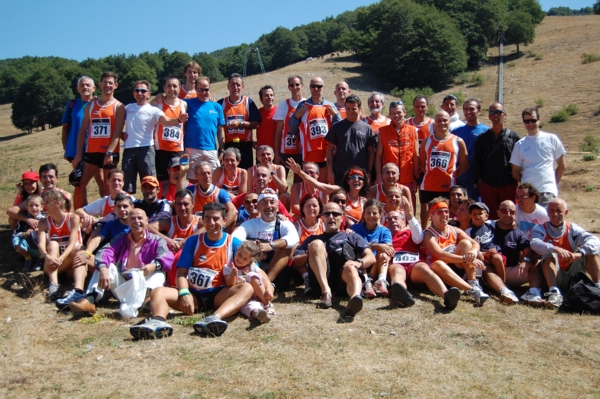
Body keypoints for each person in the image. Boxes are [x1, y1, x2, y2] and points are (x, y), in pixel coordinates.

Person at [129, 202, 253, 338]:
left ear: (224, 221)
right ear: (203, 221)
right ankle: (158, 322)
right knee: (158, 292)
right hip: (194, 295)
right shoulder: (193, 241)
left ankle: (214, 318)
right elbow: (181, 273)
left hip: (219, 294)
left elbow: (254, 268)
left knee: (247, 288)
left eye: (216, 219)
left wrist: (267, 288)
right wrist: (184, 293)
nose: (211, 223)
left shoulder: (233, 243)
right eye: (207, 218)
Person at [69, 208, 174, 317]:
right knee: (104, 265)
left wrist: (154, 265)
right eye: (132, 219)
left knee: (159, 271)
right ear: (127, 222)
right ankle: (90, 300)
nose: (136, 221)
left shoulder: (157, 240)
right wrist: (103, 268)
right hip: (124, 283)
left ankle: (149, 301)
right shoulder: (120, 239)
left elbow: (167, 256)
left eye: (140, 218)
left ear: (147, 220)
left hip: (144, 282)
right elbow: (105, 251)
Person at [293, 202, 376, 318]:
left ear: (342, 218)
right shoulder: (312, 239)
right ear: (322, 218)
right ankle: (327, 293)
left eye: (335, 214)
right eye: (327, 214)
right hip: (320, 283)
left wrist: (359, 262)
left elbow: (371, 257)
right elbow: (295, 262)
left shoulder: (352, 236)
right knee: (316, 244)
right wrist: (310, 254)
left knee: (352, 268)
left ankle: (355, 299)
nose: (331, 217)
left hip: (345, 279)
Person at [116, 80, 188, 194]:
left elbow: (166, 121)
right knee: (127, 187)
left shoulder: (153, 109)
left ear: (149, 94)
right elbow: (116, 123)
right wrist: (120, 134)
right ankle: (127, 210)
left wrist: (179, 120)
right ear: (133, 93)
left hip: (147, 150)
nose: (140, 93)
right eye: (137, 91)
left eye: (143, 91)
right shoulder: (127, 108)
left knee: (150, 184)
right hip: (129, 150)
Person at [386, 205, 462, 310]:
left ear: (404, 222)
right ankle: (402, 295)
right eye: (389, 219)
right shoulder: (385, 235)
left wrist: (410, 215)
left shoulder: (411, 231)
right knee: (397, 271)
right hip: (396, 262)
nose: (393, 221)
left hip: (415, 264)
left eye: (396, 218)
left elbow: (418, 235)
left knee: (424, 268)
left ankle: (447, 296)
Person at [531, 198, 600, 309]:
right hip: (553, 275)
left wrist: (580, 253)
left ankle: (597, 288)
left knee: (591, 252)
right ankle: (554, 292)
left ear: (566, 212)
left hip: (572, 273)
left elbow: (595, 241)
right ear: (547, 212)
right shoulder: (540, 228)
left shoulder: (572, 229)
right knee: (548, 256)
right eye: (551, 211)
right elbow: (534, 243)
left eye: (559, 210)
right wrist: (555, 249)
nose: (555, 214)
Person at [422, 198, 490, 306]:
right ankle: (472, 290)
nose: (444, 215)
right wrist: (466, 259)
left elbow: (475, 244)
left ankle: (473, 282)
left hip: (456, 268)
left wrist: (472, 252)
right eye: (440, 212)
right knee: (438, 263)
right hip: (439, 274)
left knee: (466, 243)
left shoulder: (454, 229)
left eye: (446, 211)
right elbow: (439, 255)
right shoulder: (428, 234)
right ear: (431, 216)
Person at [73, 71, 125, 209]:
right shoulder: (91, 106)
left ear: (115, 86)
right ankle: (80, 218)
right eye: (105, 82)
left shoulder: (119, 107)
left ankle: (109, 218)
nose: (107, 85)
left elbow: (117, 132)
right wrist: (78, 154)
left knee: (109, 190)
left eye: (111, 83)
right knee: (79, 184)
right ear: (100, 84)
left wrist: (109, 152)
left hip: (110, 153)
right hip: (91, 152)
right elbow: (82, 130)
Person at [232, 188, 300, 291]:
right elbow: (235, 237)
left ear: (278, 207)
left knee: (287, 247)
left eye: (272, 202)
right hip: (255, 266)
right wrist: (254, 248)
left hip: (276, 272)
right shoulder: (251, 223)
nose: (269, 206)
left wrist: (270, 245)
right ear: (258, 207)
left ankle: (266, 284)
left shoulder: (284, 224)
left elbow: (294, 238)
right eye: (264, 202)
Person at [66, 193, 134, 280]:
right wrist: (87, 253)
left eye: (125, 206)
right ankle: (78, 291)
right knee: (81, 254)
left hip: (130, 266)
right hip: (112, 264)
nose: (122, 209)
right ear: (114, 209)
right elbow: (98, 239)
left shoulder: (137, 225)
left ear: (132, 207)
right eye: (119, 206)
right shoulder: (111, 225)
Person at [419, 111, 469, 227]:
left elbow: (465, 164)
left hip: (448, 186)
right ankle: (424, 237)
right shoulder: (427, 141)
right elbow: (422, 163)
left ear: (449, 121)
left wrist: (453, 175)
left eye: (445, 120)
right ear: (434, 123)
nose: (442, 123)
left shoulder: (458, 141)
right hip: (428, 186)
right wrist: (432, 174)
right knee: (427, 215)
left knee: (447, 214)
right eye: (439, 120)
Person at [510, 106, 566, 207]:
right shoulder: (519, 145)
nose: (530, 124)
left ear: (539, 120)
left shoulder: (551, 139)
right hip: (527, 194)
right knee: (528, 222)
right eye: (527, 121)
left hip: (547, 191)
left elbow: (562, 165)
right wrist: (527, 181)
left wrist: (552, 183)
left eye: (533, 120)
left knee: (546, 221)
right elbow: (515, 172)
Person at [289, 76, 342, 182]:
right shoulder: (303, 105)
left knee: (323, 188)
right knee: (309, 187)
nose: (316, 89)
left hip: (326, 154)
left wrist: (336, 116)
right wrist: (296, 116)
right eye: (313, 86)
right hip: (308, 154)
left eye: (319, 86)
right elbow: (292, 129)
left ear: (324, 88)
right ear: (309, 88)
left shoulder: (330, 106)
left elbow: (340, 130)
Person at [490, 200, 543, 306]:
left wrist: (526, 261)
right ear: (498, 212)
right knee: (488, 265)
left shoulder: (518, 233)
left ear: (516, 214)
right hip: (489, 271)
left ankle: (533, 293)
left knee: (537, 262)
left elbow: (531, 253)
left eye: (512, 212)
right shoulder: (488, 227)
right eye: (504, 211)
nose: (508, 215)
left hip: (509, 272)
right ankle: (503, 291)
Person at [472, 102, 520, 215]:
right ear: (489, 116)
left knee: (509, 214)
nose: (495, 115)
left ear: (505, 115)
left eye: (499, 112)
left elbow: (520, 161)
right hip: (488, 185)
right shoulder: (482, 138)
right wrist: (481, 184)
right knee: (490, 216)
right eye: (492, 112)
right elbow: (477, 162)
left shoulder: (514, 137)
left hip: (508, 184)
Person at [61, 76, 104, 198]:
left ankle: (107, 211)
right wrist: (65, 149)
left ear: (94, 88)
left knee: (101, 180)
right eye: (82, 85)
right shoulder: (72, 105)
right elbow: (65, 128)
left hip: (95, 149)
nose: (85, 87)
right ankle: (80, 213)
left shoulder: (100, 104)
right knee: (79, 182)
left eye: (88, 85)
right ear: (78, 89)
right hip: (76, 150)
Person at [37, 190, 83, 300]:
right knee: (53, 244)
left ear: (57, 204)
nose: (44, 205)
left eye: (47, 202)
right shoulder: (43, 222)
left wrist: (61, 259)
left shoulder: (73, 218)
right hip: (52, 264)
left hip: (68, 262)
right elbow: (41, 245)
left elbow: (72, 243)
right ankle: (53, 286)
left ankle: (77, 290)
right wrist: (47, 257)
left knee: (79, 249)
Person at [464, 202, 511, 303]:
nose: (477, 216)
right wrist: (485, 254)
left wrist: (513, 222)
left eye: (480, 213)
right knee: (479, 259)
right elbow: (471, 249)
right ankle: (482, 284)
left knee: (497, 258)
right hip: (482, 255)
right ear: (470, 216)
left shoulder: (491, 224)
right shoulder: (469, 231)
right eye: (474, 214)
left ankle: (503, 284)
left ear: (487, 216)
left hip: (494, 254)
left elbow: (502, 221)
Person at [325, 95, 376, 186]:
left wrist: (369, 171)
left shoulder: (367, 128)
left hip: (360, 174)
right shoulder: (337, 127)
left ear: (359, 108)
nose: (350, 111)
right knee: (339, 199)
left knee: (359, 199)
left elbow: (371, 152)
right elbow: (330, 150)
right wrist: (330, 172)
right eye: (348, 108)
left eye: (353, 109)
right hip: (339, 172)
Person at [376, 101, 419, 209]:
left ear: (405, 112)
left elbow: (415, 155)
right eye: (393, 113)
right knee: (387, 208)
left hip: (407, 178)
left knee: (408, 208)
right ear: (390, 115)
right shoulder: (383, 131)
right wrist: (379, 176)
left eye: (399, 112)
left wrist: (415, 178)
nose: (396, 115)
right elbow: (378, 156)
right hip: (389, 178)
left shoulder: (413, 131)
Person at [350, 199, 393, 298]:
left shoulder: (385, 231)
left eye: (374, 213)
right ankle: (366, 283)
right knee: (361, 252)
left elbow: (389, 248)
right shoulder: (355, 228)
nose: (371, 216)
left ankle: (381, 281)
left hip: (377, 265)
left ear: (380, 214)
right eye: (368, 213)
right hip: (361, 265)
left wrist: (382, 247)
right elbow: (357, 246)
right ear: (364, 214)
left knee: (384, 252)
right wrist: (378, 246)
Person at [223, 241, 274, 323]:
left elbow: (264, 279)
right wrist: (233, 274)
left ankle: (267, 304)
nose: (240, 259)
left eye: (245, 259)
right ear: (237, 250)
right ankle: (258, 314)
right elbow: (230, 284)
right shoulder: (228, 267)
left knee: (252, 275)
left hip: (258, 292)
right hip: (244, 297)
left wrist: (268, 289)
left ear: (250, 261)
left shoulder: (252, 266)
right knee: (249, 307)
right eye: (239, 255)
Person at [183, 76, 225, 176]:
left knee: (214, 179)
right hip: (192, 149)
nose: (203, 92)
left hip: (211, 149)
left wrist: (222, 150)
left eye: (206, 89)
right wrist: (159, 96)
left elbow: (221, 131)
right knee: (194, 181)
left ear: (210, 89)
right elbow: (172, 100)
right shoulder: (187, 103)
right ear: (195, 89)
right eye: (200, 89)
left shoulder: (216, 106)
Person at [218, 73, 261, 170]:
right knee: (226, 173)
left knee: (245, 174)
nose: (235, 87)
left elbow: (256, 124)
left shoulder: (248, 102)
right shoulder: (221, 103)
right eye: (232, 84)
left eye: (238, 85)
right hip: (227, 145)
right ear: (228, 86)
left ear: (242, 87)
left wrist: (240, 123)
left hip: (245, 146)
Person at [151, 76, 188, 182]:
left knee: (178, 180)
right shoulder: (157, 103)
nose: (172, 89)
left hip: (177, 149)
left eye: (175, 86)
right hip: (160, 149)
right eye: (169, 86)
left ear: (180, 88)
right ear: (164, 88)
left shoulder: (184, 104)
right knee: (162, 181)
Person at [452, 99, 489, 199]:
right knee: (457, 207)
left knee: (476, 205)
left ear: (479, 111)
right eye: (466, 109)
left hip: (476, 178)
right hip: (459, 176)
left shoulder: (487, 132)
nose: (468, 112)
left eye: (472, 109)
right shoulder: (456, 132)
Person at [74, 168, 127, 235]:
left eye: (119, 180)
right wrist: (87, 217)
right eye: (113, 180)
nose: (116, 183)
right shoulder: (105, 200)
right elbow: (78, 211)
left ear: (123, 183)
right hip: (105, 234)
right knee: (81, 220)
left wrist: (97, 220)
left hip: (122, 233)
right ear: (107, 181)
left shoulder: (129, 199)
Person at [187, 162, 237, 231]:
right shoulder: (191, 190)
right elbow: (178, 201)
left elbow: (233, 211)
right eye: (203, 174)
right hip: (194, 228)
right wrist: (182, 174)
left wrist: (221, 227)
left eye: (209, 173)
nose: (207, 176)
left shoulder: (220, 192)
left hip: (214, 228)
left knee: (234, 218)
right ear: (196, 176)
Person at [273, 75, 305, 179]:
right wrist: (277, 155)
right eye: (292, 85)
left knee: (299, 183)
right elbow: (278, 131)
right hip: (285, 151)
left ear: (302, 86)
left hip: (301, 151)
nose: (295, 87)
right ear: (289, 87)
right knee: (281, 183)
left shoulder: (307, 104)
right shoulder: (284, 104)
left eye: (297, 84)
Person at [12, 195, 45, 272]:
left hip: (42, 248)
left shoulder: (45, 218)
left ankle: (40, 260)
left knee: (47, 237)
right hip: (29, 248)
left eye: (37, 205)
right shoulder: (24, 220)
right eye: (31, 205)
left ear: (42, 207)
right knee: (16, 240)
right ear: (27, 207)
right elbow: (16, 233)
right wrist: (24, 234)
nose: (34, 208)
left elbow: (52, 232)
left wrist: (41, 231)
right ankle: (28, 259)